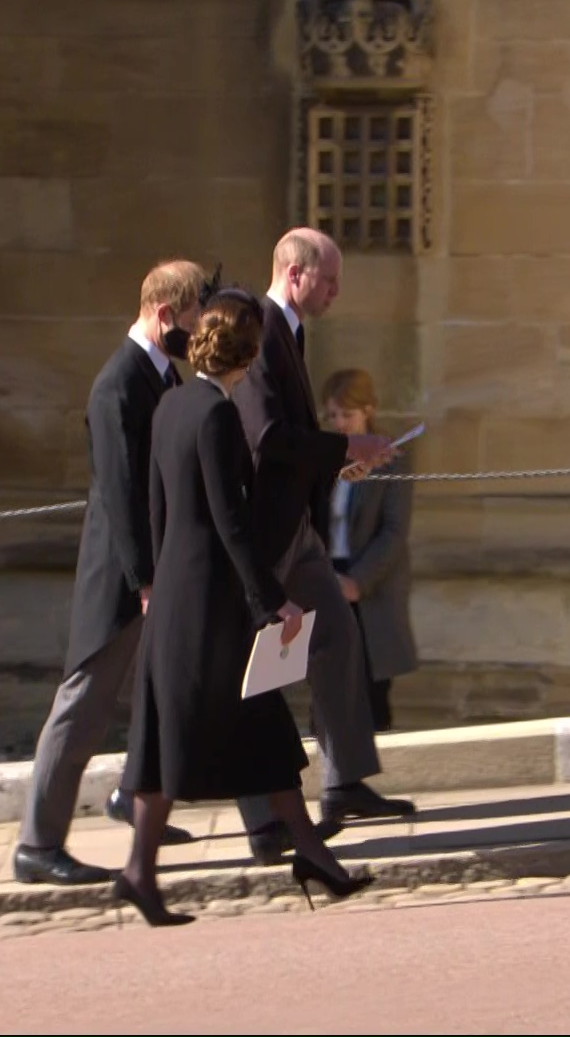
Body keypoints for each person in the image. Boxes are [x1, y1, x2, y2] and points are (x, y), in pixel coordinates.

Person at [115, 290, 375, 926]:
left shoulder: (173, 403)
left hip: (177, 593)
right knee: (233, 722)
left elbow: (157, 508)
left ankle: (150, 872)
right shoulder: (215, 417)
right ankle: (145, 871)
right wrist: (271, 600)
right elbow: (230, 521)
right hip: (210, 599)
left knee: (209, 729)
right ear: (248, 352)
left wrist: (151, 584)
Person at [13, 260, 205, 887]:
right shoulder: (117, 385)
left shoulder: (160, 376)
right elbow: (121, 496)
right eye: (194, 321)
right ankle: (38, 843)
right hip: (122, 579)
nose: (199, 336)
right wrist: (146, 580)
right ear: (165, 316)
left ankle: (133, 795)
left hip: (153, 571)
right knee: (83, 708)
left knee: (159, 694)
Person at [230, 228, 414, 865]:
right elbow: (268, 436)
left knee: (338, 633)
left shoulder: (294, 331)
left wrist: (341, 466)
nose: (336, 292)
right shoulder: (257, 329)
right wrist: (344, 449)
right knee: (267, 674)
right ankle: (266, 818)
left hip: (297, 527)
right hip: (268, 536)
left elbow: (295, 443)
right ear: (295, 273)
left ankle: (344, 783)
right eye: (329, 280)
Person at [321, 369, 420, 733]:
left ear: (369, 410)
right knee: (329, 685)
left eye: (347, 415)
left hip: (370, 583)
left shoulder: (392, 458)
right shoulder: (326, 457)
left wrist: (358, 582)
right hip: (329, 575)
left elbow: (394, 532)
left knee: (372, 689)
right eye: (332, 416)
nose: (340, 423)